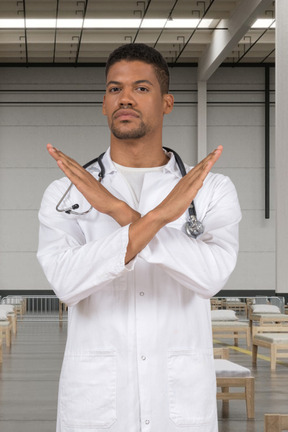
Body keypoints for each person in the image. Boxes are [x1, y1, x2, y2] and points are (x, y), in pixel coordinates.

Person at [37, 43, 241, 432]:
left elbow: (211, 276)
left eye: (141, 88)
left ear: (167, 102)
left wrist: (123, 216)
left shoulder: (210, 188)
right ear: (103, 103)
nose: (125, 98)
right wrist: (160, 218)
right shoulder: (65, 193)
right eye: (115, 89)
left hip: (177, 402)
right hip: (97, 405)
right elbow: (66, 283)